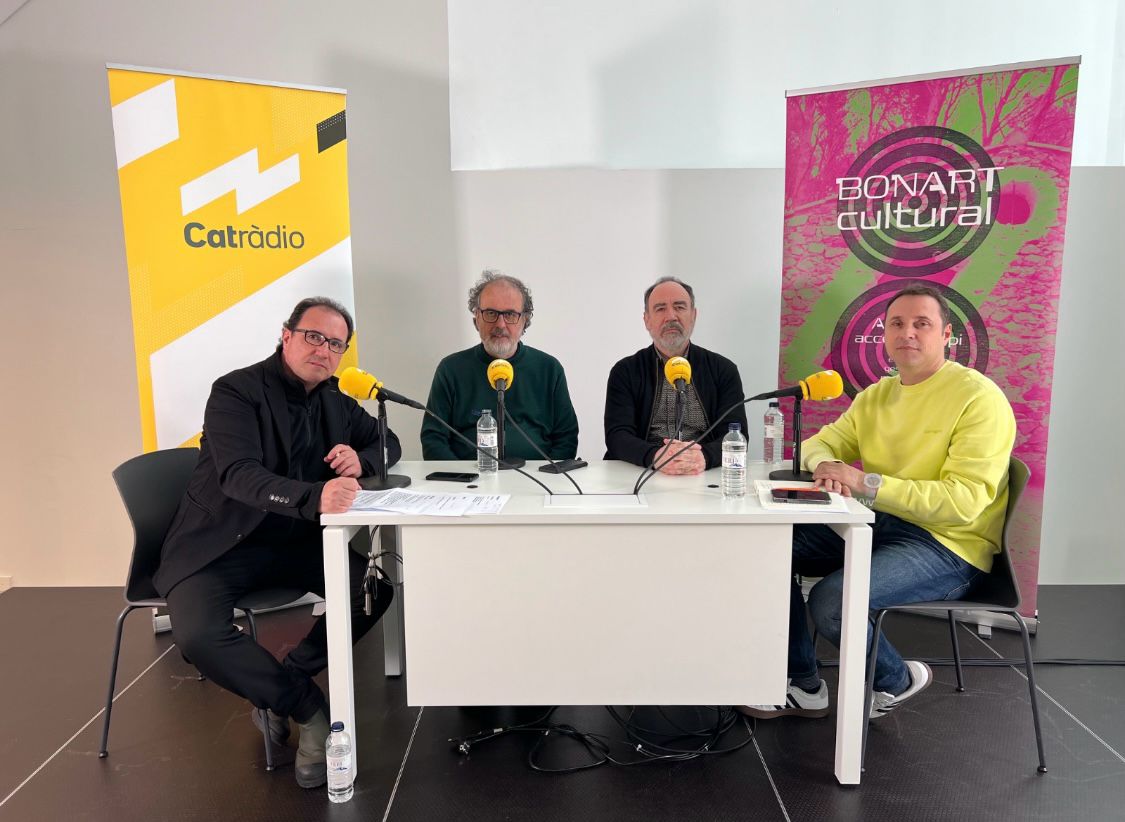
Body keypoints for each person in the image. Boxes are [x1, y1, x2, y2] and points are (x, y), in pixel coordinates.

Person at [153, 296, 399, 789]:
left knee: (372, 591)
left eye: (336, 344)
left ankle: (289, 677)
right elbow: (239, 475)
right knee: (197, 635)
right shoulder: (235, 392)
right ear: (286, 336)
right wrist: (315, 496)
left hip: (293, 542)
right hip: (221, 544)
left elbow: (387, 441)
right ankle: (305, 707)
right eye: (314, 336)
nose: (324, 350)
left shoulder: (334, 400)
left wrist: (364, 460)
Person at [741, 285, 1016, 721]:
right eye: (897, 324)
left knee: (832, 603)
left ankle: (896, 680)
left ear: (947, 335)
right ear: (883, 334)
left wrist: (864, 482)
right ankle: (802, 683)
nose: (908, 333)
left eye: (922, 324)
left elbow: (962, 502)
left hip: (947, 545)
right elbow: (817, 444)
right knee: (765, 546)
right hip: (879, 523)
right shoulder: (877, 395)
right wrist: (826, 462)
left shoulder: (978, 398)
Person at [421, 270, 579, 461]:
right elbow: (434, 439)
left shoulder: (549, 369)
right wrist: (462, 476)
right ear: (476, 318)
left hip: (537, 476)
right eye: (491, 313)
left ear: (525, 320)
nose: (500, 324)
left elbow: (566, 438)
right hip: (469, 476)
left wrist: (547, 473)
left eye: (510, 314)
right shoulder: (451, 369)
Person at [604, 276, 746, 474]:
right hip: (643, 472)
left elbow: (736, 434)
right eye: (660, 308)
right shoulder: (625, 371)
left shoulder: (723, 370)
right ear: (647, 320)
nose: (671, 316)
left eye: (679, 307)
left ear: (693, 315)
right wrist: (656, 457)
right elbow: (617, 436)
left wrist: (704, 457)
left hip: (703, 472)